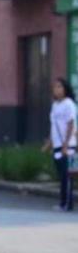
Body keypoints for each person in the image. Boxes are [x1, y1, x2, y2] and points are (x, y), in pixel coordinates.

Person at [44, 77, 77, 211]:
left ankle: (67, 204)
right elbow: (54, 125)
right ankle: (62, 202)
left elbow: (70, 124)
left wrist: (65, 144)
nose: (57, 89)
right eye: (55, 87)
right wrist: (49, 143)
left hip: (67, 145)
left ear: (65, 89)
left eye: (60, 87)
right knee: (61, 175)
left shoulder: (69, 104)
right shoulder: (55, 105)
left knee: (67, 176)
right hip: (57, 144)